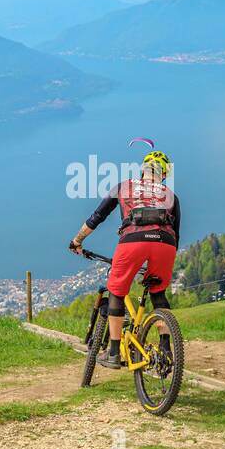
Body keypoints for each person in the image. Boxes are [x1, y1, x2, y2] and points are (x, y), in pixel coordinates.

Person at [69, 150, 180, 369]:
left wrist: (77, 241)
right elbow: (176, 235)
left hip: (133, 241)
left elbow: (96, 217)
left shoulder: (123, 186)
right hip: (165, 244)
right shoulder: (171, 196)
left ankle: (112, 352)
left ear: (142, 171)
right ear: (164, 174)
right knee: (158, 293)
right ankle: (166, 348)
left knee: (117, 292)